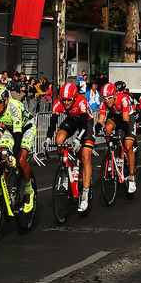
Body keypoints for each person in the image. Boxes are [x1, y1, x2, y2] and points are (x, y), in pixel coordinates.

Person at [0, 81, 38, 212]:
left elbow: (18, 136)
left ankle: (28, 190)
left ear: (5, 101)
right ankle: (1, 197)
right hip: (10, 129)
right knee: (1, 155)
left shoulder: (13, 108)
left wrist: (14, 156)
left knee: (21, 160)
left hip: (26, 128)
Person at [44, 81, 95, 213]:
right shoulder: (58, 103)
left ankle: (85, 193)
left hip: (86, 122)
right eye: (64, 100)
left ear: (75, 97)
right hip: (71, 120)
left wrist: (78, 139)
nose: (66, 103)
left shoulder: (82, 102)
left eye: (69, 100)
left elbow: (83, 126)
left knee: (85, 155)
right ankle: (65, 170)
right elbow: (53, 123)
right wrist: (48, 138)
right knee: (59, 139)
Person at [97, 82, 138, 194]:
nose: (107, 101)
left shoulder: (123, 99)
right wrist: (97, 128)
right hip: (115, 117)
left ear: (115, 95)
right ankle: (110, 153)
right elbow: (101, 120)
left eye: (110, 98)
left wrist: (122, 131)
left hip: (127, 117)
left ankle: (131, 176)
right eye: (105, 98)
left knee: (128, 146)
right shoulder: (104, 102)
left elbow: (125, 119)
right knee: (108, 127)